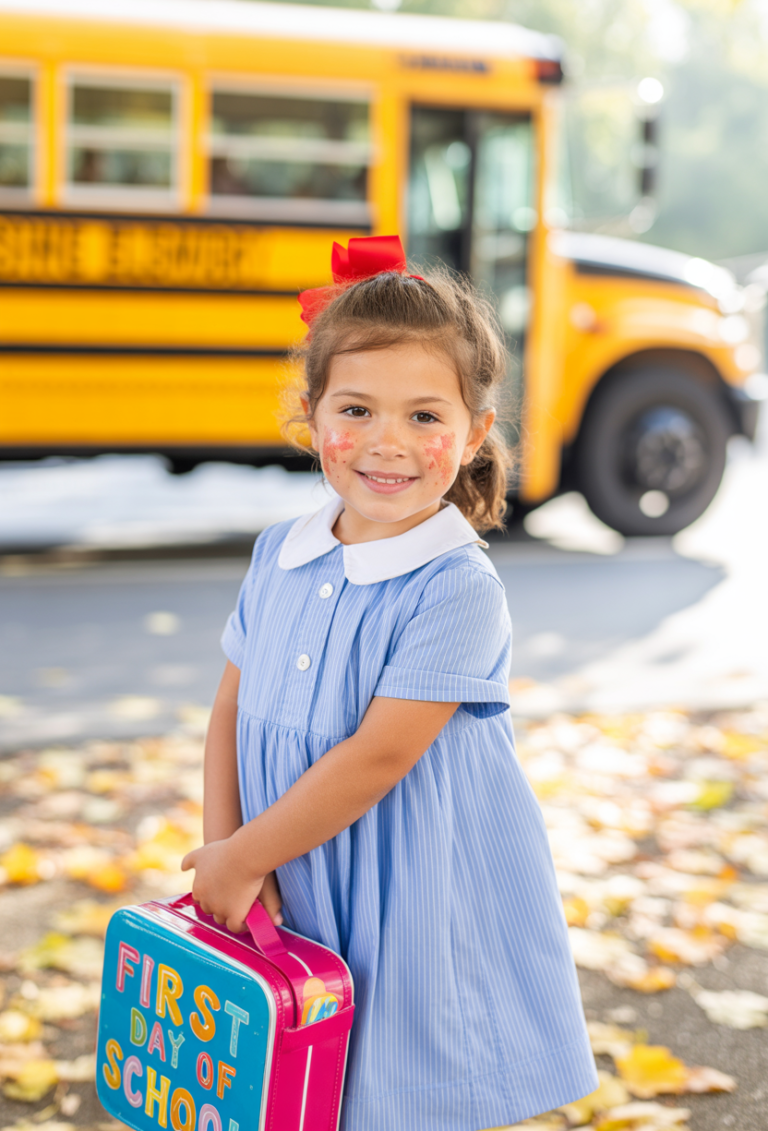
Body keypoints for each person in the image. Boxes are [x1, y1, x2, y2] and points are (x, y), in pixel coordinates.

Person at [181, 236, 597, 1130]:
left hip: (404, 889)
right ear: (310, 414)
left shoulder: (454, 585)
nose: (387, 443)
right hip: (285, 868)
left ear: (475, 432)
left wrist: (247, 855)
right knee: (296, 1083)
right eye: (357, 409)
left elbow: (379, 757)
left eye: (424, 416)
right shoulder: (280, 552)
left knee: (396, 1083)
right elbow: (230, 706)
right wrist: (226, 853)